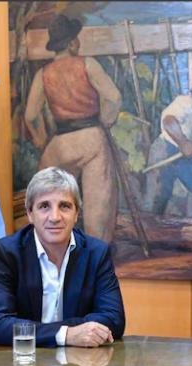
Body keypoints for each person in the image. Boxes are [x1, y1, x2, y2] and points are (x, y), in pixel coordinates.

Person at [0, 166, 125, 348]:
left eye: (64, 206)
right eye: (44, 206)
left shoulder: (97, 253)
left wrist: (39, 330)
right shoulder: (6, 253)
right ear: (30, 214)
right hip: (23, 365)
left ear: (76, 214)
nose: (55, 217)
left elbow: (114, 319)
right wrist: (66, 334)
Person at [24, 14, 122, 244]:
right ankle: (95, 255)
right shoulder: (87, 64)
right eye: (76, 39)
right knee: (99, 209)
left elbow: (30, 115)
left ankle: (52, 249)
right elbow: (114, 97)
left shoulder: (43, 75)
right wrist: (107, 119)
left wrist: (40, 139)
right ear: (70, 43)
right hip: (91, 140)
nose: (78, 43)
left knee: (49, 199)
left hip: (60, 145)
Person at [146, 72, 192, 219]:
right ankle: (152, 230)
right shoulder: (184, 102)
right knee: (160, 195)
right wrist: (183, 142)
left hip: (182, 154)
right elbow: (168, 121)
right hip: (165, 149)